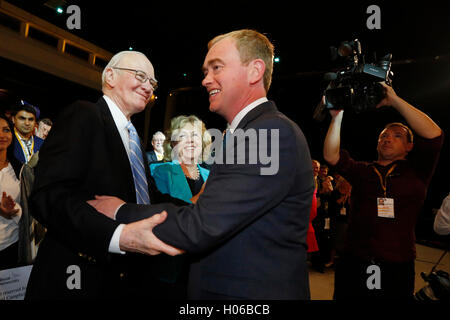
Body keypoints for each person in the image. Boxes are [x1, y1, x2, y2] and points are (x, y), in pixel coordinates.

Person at [89, 29, 314, 299]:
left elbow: (200, 226)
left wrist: (119, 210)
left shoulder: (266, 134)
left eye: (216, 67)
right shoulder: (250, 133)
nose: (206, 80)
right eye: (206, 71)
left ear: (255, 71)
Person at [25, 50, 183, 300]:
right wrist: (117, 236)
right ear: (110, 75)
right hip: (78, 278)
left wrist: (196, 207)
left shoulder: (133, 138)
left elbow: (147, 199)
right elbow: (49, 195)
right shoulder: (84, 114)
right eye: (140, 76)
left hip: (122, 278)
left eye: (152, 82)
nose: (147, 86)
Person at [323, 83, 443, 299]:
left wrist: (394, 100)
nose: (387, 138)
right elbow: (332, 156)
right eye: (383, 136)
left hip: (396, 263)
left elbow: (434, 135)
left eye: (397, 135)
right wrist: (336, 117)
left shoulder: (417, 172)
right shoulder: (363, 171)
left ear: (409, 146)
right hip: (354, 259)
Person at [149, 115, 211, 299]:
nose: (191, 141)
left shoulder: (211, 174)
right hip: (171, 265)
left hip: (206, 265)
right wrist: (201, 197)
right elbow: (164, 215)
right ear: (173, 143)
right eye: (183, 136)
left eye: (195, 135)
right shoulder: (160, 170)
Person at [0, 113, 23, 270]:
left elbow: (27, 207)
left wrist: (14, 210)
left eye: (6, 130)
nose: (2, 135)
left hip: (11, 247)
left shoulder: (20, 170)